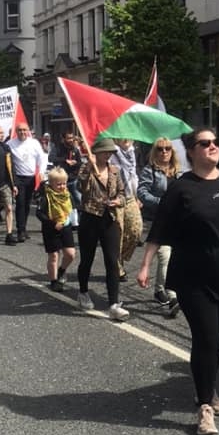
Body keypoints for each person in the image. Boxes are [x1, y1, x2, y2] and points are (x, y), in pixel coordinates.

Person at [136, 128, 219, 435]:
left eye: (215, 143)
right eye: (205, 143)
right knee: (206, 338)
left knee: (217, 340)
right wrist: (145, 265)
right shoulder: (181, 188)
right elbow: (160, 228)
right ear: (191, 151)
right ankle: (204, 407)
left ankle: (208, 387)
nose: (213, 147)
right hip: (193, 278)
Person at [76, 137, 128, 321]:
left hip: (110, 219)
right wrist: (89, 167)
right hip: (90, 218)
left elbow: (122, 193)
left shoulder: (115, 170)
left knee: (112, 261)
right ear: (96, 152)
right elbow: (80, 187)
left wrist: (118, 201)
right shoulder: (86, 169)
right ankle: (83, 291)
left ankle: (113, 303)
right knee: (87, 259)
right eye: (104, 151)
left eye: (110, 152)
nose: (108, 155)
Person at [137, 137, 181, 317]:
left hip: (176, 220)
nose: (164, 152)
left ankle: (159, 289)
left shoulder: (178, 171)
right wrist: (161, 202)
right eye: (160, 149)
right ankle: (172, 295)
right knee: (165, 255)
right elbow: (141, 192)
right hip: (156, 219)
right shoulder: (150, 171)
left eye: (167, 148)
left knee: (175, 256)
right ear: (154, 152)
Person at [35, 167, 76, 292]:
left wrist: (74, 222)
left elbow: (73, 208)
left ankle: (62, 270)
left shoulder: (67, 194)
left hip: (65, 226)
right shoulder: (46, 196)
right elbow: (39, 213)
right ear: (51, 184)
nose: (62, 186)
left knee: (70, 254)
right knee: (53, 256)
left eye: (64, 183)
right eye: (58, 184)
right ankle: (53, 281)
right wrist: (52, 223)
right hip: (51, 229)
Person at [6, 121, 48, 241]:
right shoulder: (10, 144)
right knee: (20, 203)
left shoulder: (34, 143)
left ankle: (23, 228)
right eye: (20, 130)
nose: (22, 132)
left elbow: (42, 158)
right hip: (18, 178)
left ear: (28, 131)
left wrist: (41, 172)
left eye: (24, 130)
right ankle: (20, 231)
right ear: (16, 132)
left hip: (30, 178)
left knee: (27, 204)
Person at [110, 138, 143, 279]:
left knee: (136, 231)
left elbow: (133, 176)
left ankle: (117, 259)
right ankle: (117, 266)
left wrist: (137, 196)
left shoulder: (131, 153)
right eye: (122, 136)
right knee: (118, 233)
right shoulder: (110, 152)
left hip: (130, 197)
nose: (126, 139)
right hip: (115, 199)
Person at [52, 130, 83, 224]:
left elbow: (80, 162)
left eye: (72, 138)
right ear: (63, 139)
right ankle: (64, 221)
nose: (71, 140)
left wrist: (75, 163)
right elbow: (51, 158)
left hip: (73, 179)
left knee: (78, 200)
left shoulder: (75, 149)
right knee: (63, 201)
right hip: (61, 181)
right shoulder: (57, 148)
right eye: (68, 138)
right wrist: (65, 161)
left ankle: (79, 222)